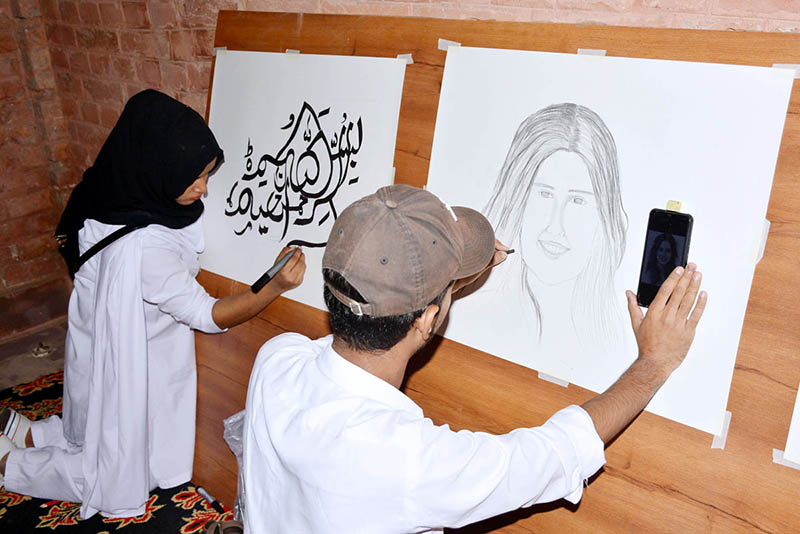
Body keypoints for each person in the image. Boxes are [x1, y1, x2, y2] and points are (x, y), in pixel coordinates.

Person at [241, 184, 707, 533]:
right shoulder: (408, 460)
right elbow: (550, 454)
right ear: (427, 319)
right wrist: (653, 363)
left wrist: (441, 285)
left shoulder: (276, 360)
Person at [0, 90, 306, 519]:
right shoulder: (146, 251)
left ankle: (27, 434)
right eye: (193, 178)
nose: (203, 189)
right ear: (158, 171)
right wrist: (271, 289)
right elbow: (206, 315)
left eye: (207, 175)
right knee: (120, 467)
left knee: (94, 417)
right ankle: (12, 464)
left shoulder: (114, 188)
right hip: (129, 352)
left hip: (96, 337)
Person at [484, 103, 627, 350]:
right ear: (517, 196)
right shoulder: (479, 314)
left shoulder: (612, 336)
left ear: (604, 214)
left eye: (577, 200)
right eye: (544, 194)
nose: (555, 227)